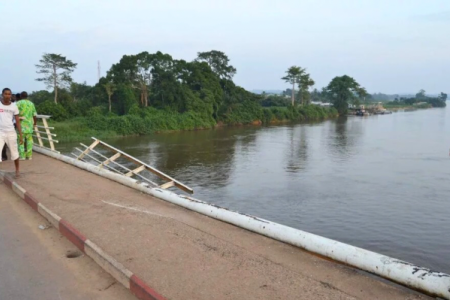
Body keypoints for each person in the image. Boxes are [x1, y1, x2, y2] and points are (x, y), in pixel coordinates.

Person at [0, 88, 23, 177]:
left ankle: (17, 170)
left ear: (11, 95)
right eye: (5, 94)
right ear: (2, 94)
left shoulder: (14, 106)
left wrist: (20, 135)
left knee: (14, 153)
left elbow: (17, 121)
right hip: (0, 132)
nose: (7, 96)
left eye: (9, 94)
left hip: (11, 132)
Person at [16, 91, 37, 160]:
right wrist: (35, 123)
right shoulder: (31, 104)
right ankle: (29, 156)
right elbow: (34, 115)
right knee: (29, 142)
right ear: (27, 96)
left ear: (21, 96)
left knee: (21, 141)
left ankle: (22, 156)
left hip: (21, 126)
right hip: (29, 125)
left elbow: (14, 113)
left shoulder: (18, 103)